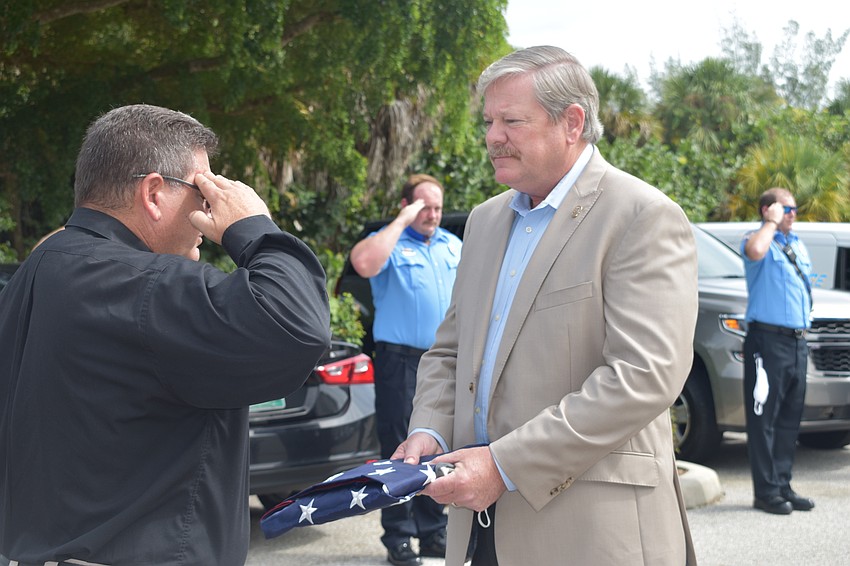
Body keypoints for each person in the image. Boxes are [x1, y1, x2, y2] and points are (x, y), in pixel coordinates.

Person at [391, 46, 699, 565]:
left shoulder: (641, 215)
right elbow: (450, 350)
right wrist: (428, 428)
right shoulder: (485, 222)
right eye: (489, 120)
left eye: (511, 120)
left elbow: (644, 375)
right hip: (482, 530)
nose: (492, 136)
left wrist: (504, 465)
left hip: (592, 533)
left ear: (572, 122)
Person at [0, 104, 332, 565]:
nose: (210, 206)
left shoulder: (37, 272)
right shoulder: (144, 286)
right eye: (203, 189)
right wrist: (254, 228)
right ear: (153, 193)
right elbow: (296, 327)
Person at [349, 174, 461, 566]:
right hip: (401, 360)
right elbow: (362, 264)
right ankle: (398, 536)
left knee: (444, 444)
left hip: (447, 360)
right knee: (399, 446)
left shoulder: (453, 246)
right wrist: (402, 220)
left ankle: (433, 531)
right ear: (407, 206)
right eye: (423, 207)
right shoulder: (391, 243)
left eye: (437, 208)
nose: (432, 215)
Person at [740, 187, 815, 515]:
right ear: (768, 210)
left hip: (796, 342)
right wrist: (769, 224)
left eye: (794, 208)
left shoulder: (795, 244)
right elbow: (755, 250)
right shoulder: (758, 241)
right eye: (786, 209)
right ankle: (766, 492)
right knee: (764, 418)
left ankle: (783, 485)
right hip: (767, 342)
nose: (793, 214)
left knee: (788, 419)